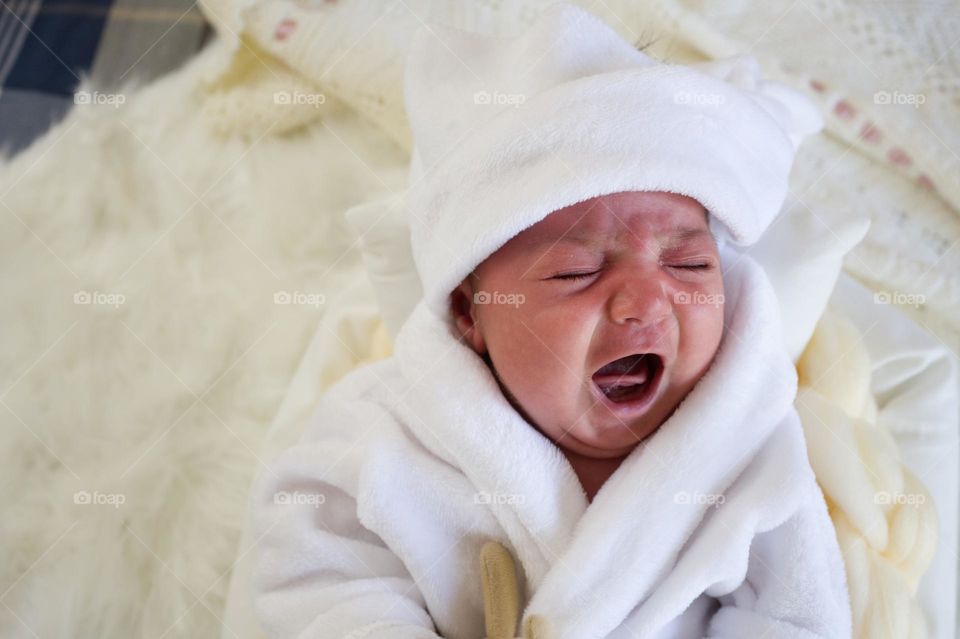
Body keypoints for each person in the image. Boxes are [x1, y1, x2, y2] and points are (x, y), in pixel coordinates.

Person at [250, 3, 851, 638]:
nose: (646, 303)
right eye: (578, 271)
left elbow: (798, 615)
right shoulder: (388, 435)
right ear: (469, 315)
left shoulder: (747, 445)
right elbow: (316, 581)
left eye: (687, 262)